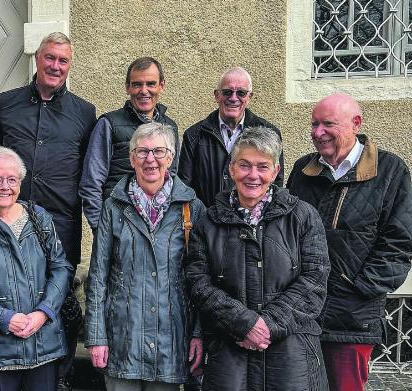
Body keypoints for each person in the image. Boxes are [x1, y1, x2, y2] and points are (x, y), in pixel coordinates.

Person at [0, 32, 96, 389]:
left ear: (70, 65)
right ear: (37, 58)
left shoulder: (84, 112)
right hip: (10, 222)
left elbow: (88, 170)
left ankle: (59, 376)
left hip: (62, 224)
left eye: (63, 61)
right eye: (50, 58)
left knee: (59, 300)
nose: (55, 66)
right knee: (9, 294)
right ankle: (12, 370)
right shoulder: (7, 104)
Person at [185, 126, 330, 390]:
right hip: (229, 352)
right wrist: (243, 323)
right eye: (244, 165)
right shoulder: (208, 220)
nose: (253, 175)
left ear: (275, 171)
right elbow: (197, 281)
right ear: (231, 169)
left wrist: (267, 325)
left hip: (291, 354)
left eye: (262, 167)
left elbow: (314, 281)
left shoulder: (303, 217)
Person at [287, 93, 412, 391]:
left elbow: (399, 243)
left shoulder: (390, 171)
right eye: (314, 124)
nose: (318, 133)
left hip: (353, 315)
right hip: (303, 311)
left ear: (356, 123)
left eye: (328, 124)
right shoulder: (304, 169)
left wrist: (359, 289)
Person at [85, 122, 204, 390]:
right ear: (131, 158)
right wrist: (96, 336)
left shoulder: (191, 208)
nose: (150, 159)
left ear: (171, 157)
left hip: (172, 343)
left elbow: (201, 281)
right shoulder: (113, 206)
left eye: (159, 151)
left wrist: (197, 333)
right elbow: (98, 276)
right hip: (123, 340)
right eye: (142, 152)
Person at [0, 146, 73, 391]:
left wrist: (43, 312)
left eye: (11, 179)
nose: (4, 186)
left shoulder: (40, 218)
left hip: (43, 341)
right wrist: (5, 318)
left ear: (20, 182)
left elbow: (61, 268)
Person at [80, 56, 179, 230]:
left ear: (161, 86)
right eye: (137, 84)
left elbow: (172, 178)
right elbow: (91, 184)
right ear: (127, 87)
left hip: (158, 229)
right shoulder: (108, 124)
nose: (144, 90)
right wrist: (102, 230)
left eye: (151, 84)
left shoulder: (169, 127)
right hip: (118, 226)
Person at [177, 67, 283, 207]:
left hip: (253, 223)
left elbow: (275, 184)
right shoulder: (194, 135)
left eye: (241, 93)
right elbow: (186, 187)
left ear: (249, 97)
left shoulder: (269, 132)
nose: (233, 98)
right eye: (227, 92)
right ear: (217, 95)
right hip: (209, 222)